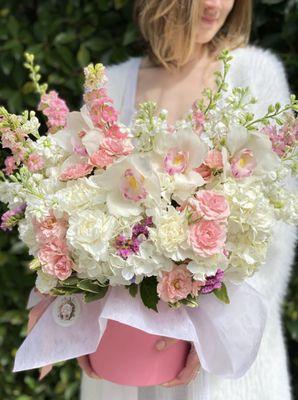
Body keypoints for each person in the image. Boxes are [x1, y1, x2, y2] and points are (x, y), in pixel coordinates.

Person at [79, 1, 297, 399]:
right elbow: (74, 216)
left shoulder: (253, 74)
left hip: (224, 371)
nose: (217, 4)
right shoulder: (110, 86)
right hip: (122, 355)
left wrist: (217, 337)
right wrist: (77, 322)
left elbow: (276, 232)